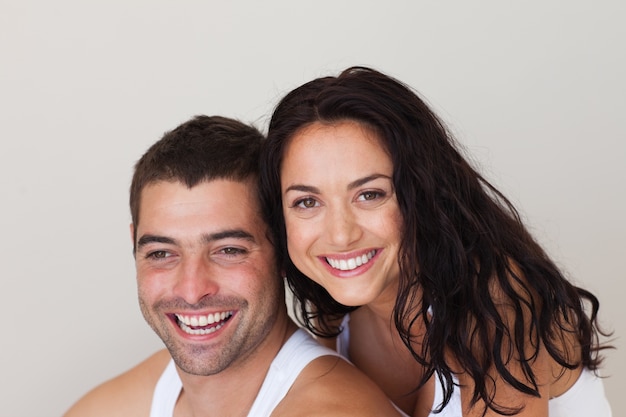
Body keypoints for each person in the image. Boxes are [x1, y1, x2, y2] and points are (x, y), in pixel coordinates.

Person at [259, 67, 613, 417]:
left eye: (370, 194)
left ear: (423, 193)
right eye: (307, 202)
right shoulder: (333, 311)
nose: (340, 235)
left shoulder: (496, 308)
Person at [63, 115, 403, 417]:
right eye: (161, 253)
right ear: (134, 244)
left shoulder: (335, 409)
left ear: (283, 250)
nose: (193, 291)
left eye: (228, 250)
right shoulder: (142, 393)